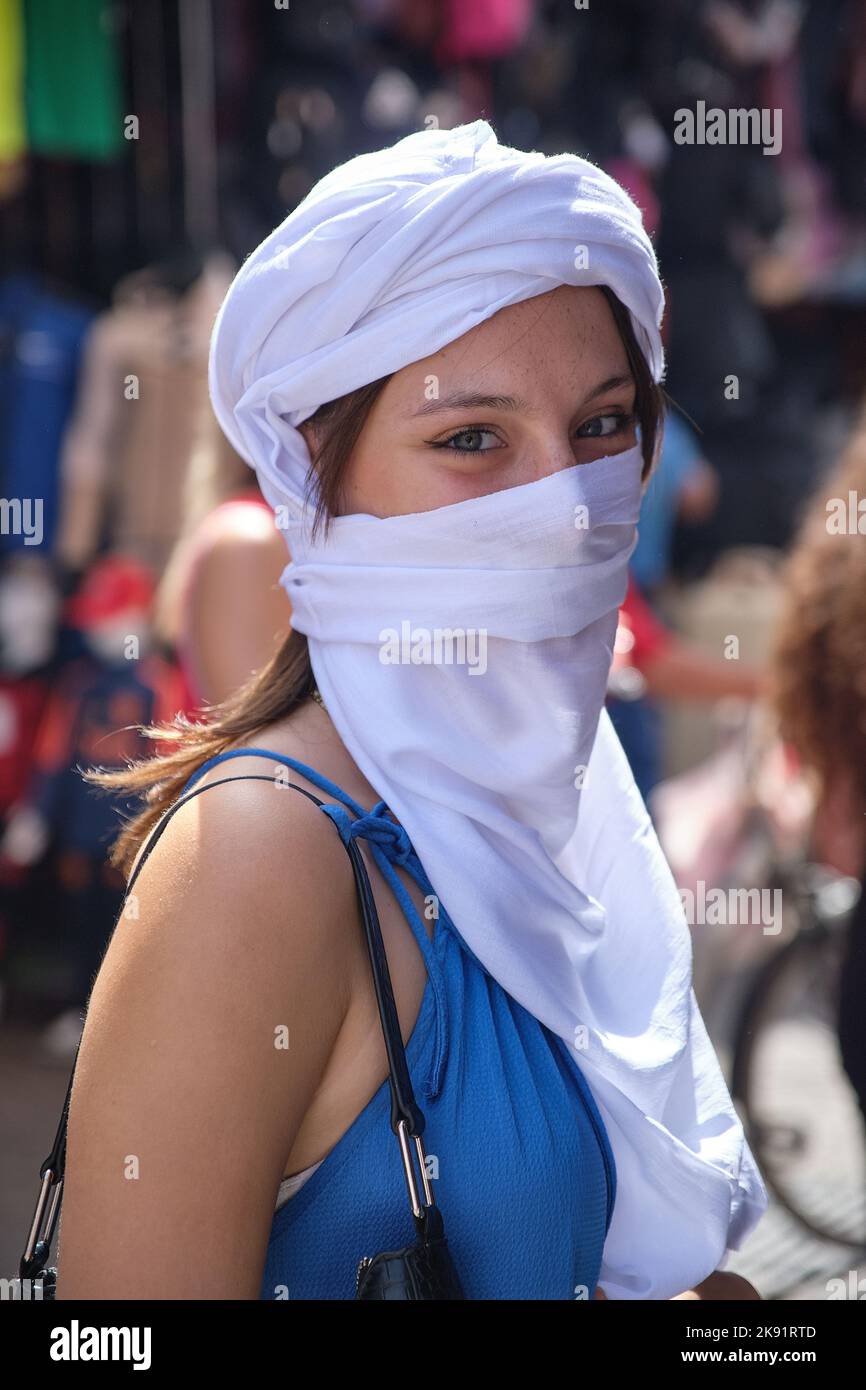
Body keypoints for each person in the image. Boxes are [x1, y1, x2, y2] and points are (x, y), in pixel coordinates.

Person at [54, 121, 765, 1301]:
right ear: (315, 473)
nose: (564, 506)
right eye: (469, 438)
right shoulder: (260, 857)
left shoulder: (554, 807)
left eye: (600, 426)